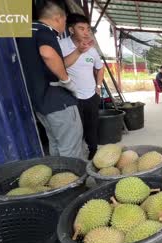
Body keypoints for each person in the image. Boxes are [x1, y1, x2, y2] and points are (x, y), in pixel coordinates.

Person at [16, 1, 83, 158]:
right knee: (70, 148)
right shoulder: (45, 31)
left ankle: (59, 178)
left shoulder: (25, 32)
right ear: (58, 18)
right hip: (58, 102)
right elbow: (47, 54)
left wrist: (79, 51)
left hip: (41, 104)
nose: (64, 27)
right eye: (65, 22)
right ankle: (72, 181)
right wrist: (67, 81)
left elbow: (55, 63)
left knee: (56, 145)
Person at [59, 14, 104, 160]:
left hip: (91, 95)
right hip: (72, 96)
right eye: (81, 28)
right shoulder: (62, 45)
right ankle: (76, 157)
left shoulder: (92, 48)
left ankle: (93, 150)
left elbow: (100, 68)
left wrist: (98, 86)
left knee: (93, 125)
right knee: (76, 129)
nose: (86, 32)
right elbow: (60, 66)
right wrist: (79, 50)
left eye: (88, 29)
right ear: (71, 30)